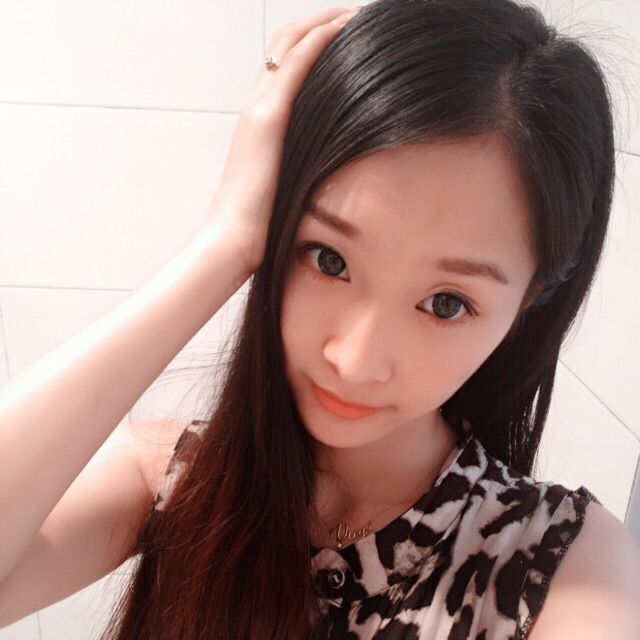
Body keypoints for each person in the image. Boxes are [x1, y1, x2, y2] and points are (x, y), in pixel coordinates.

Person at [0, 0, 638, 638]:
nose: (355, 360)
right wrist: (225, 243)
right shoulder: (175, 480)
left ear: (528, 300)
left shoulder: (564, 571)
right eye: (329, 259)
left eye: (446, 303)